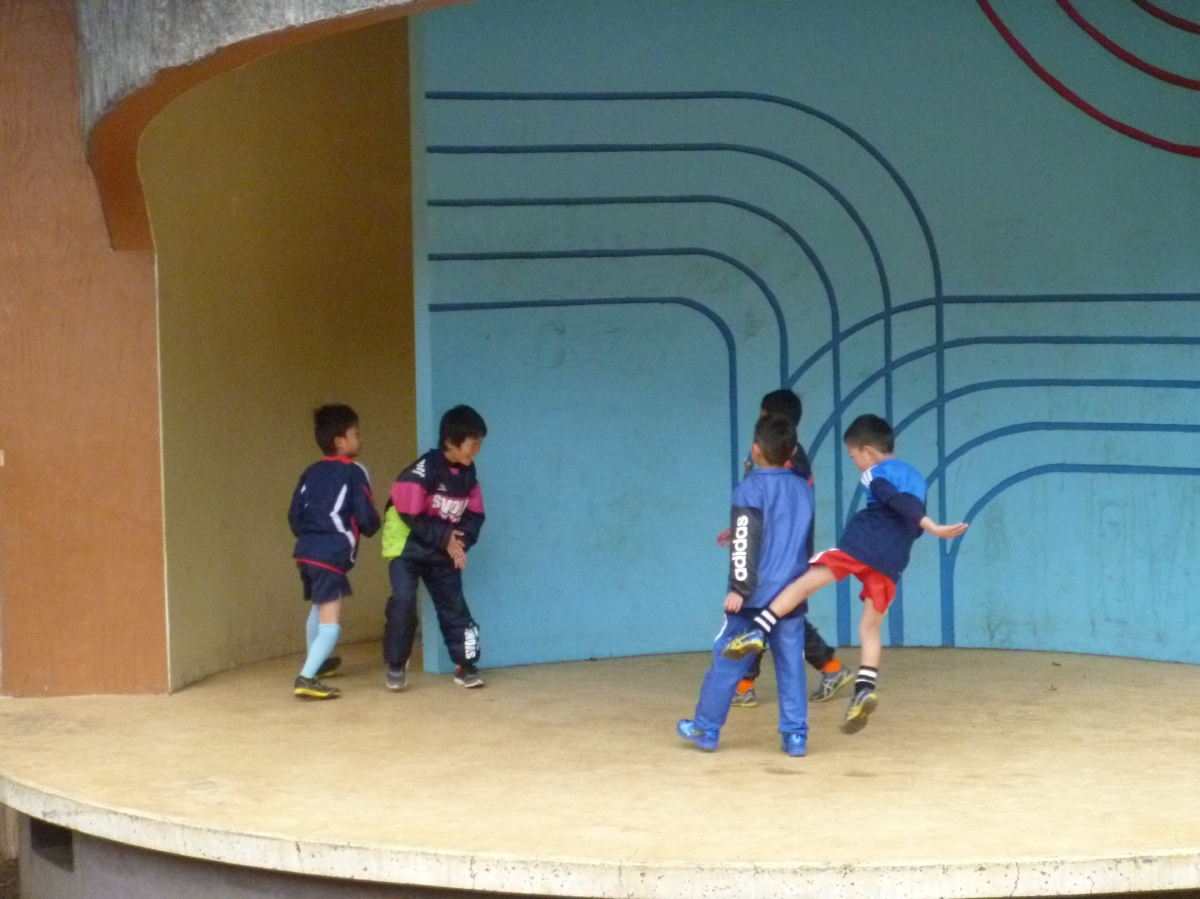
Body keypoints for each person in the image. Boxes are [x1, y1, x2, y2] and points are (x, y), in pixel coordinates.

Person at [722, 414, 967, 734]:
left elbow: (894, 500)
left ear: (868, 452)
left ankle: (758, 630)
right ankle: (864, 687)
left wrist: (931, 525)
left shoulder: (875, 473)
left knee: (803, 583)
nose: (855, 463)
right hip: (893, 559)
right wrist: (920, 527)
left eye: (853, 456)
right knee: (870, 627)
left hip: (863, 542)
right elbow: (911, 514)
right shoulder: (916, 476)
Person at [678, 415, 815, 756]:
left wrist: (738, 588)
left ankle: (706, 728)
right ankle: (795, 736)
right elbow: (799, 539)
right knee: (791, 666)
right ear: (792, 452)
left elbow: (744, 544)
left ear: (755, 450)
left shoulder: (749, 489)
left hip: (752, 598)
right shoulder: (803, 488)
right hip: (791, 594)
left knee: (727, 662)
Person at [719, 389, 852, 708]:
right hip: (780, 549)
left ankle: (746, 684)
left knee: (760, 612)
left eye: (763, 413)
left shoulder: (788, 460)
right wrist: (743, 525)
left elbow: (783, 510)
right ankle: (829, 667)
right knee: (776, 612)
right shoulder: (786, 454)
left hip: (780, 553)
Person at [382, 405, 487, 689]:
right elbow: (408, 511)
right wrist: (445, 537)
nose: (477, 450)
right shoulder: (422, 470)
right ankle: (396, 662)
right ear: (451, 442)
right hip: (407, 547)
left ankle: (465, 665)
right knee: (404, 601)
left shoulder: (468, 474)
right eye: (473, 443)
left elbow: (475, 514)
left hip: (441, 547)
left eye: (480, 443)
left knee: (454, 606)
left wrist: (460, 541)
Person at [288, 404, 381, 699]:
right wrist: (375, 525)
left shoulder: (310, 472)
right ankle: (306, 677)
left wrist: (310, 539)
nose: (360, 439)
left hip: (305, 553)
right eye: (356, 433)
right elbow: (366, 515)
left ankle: (318, 663)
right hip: (331, 555)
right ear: (340, 441)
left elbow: (294, 515)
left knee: (318, 607)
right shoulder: (354, 471)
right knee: (331, 622)